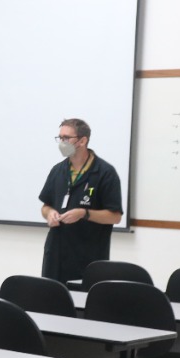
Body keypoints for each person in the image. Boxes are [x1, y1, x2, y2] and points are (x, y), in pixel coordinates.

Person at [39, 118, 124, 282]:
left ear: (82, 140)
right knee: (51, 301)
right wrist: (49, 213)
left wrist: (84, 213)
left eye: (66, 138)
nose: (62, 143)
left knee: (84, 303)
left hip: (88, 255)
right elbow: (45, 206)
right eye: (60, 138)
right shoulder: (58, 170)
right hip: (56, 253)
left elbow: (115, 216)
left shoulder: (105, 172)